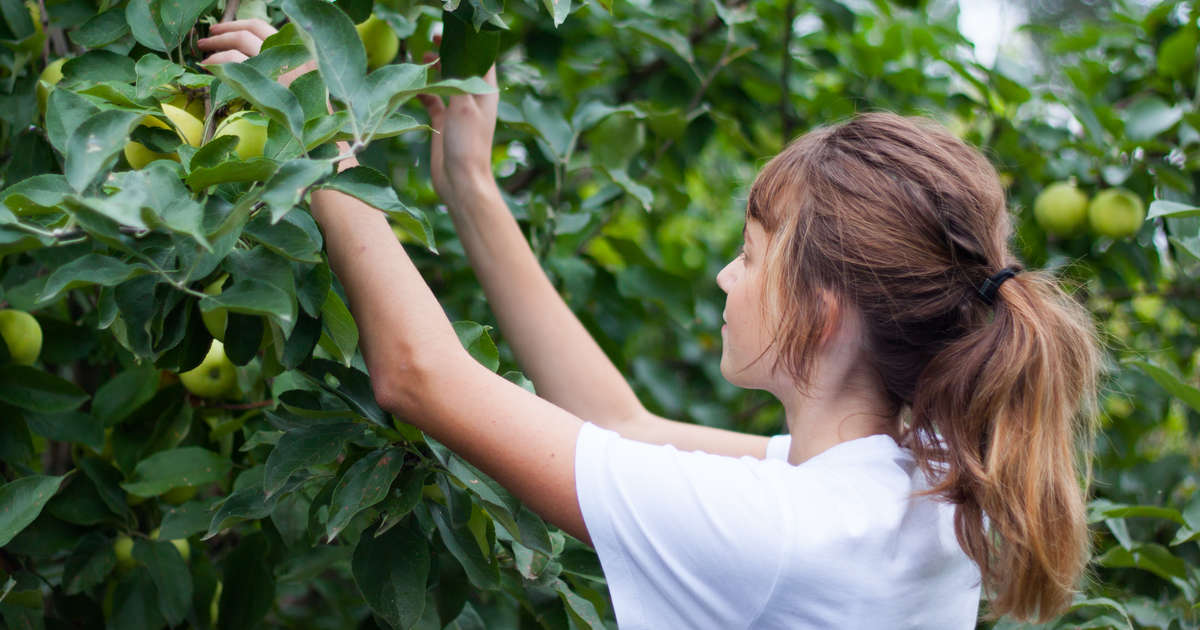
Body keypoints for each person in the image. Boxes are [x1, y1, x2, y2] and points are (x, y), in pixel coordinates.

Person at [200, 20, 1103, 628]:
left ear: (822, 315)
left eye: (750, 255)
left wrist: (311, 139)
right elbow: (620, 427)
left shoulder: (784, 535)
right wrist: (470, 186)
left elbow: (418, 375)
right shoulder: (911, 487)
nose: (725, 273)